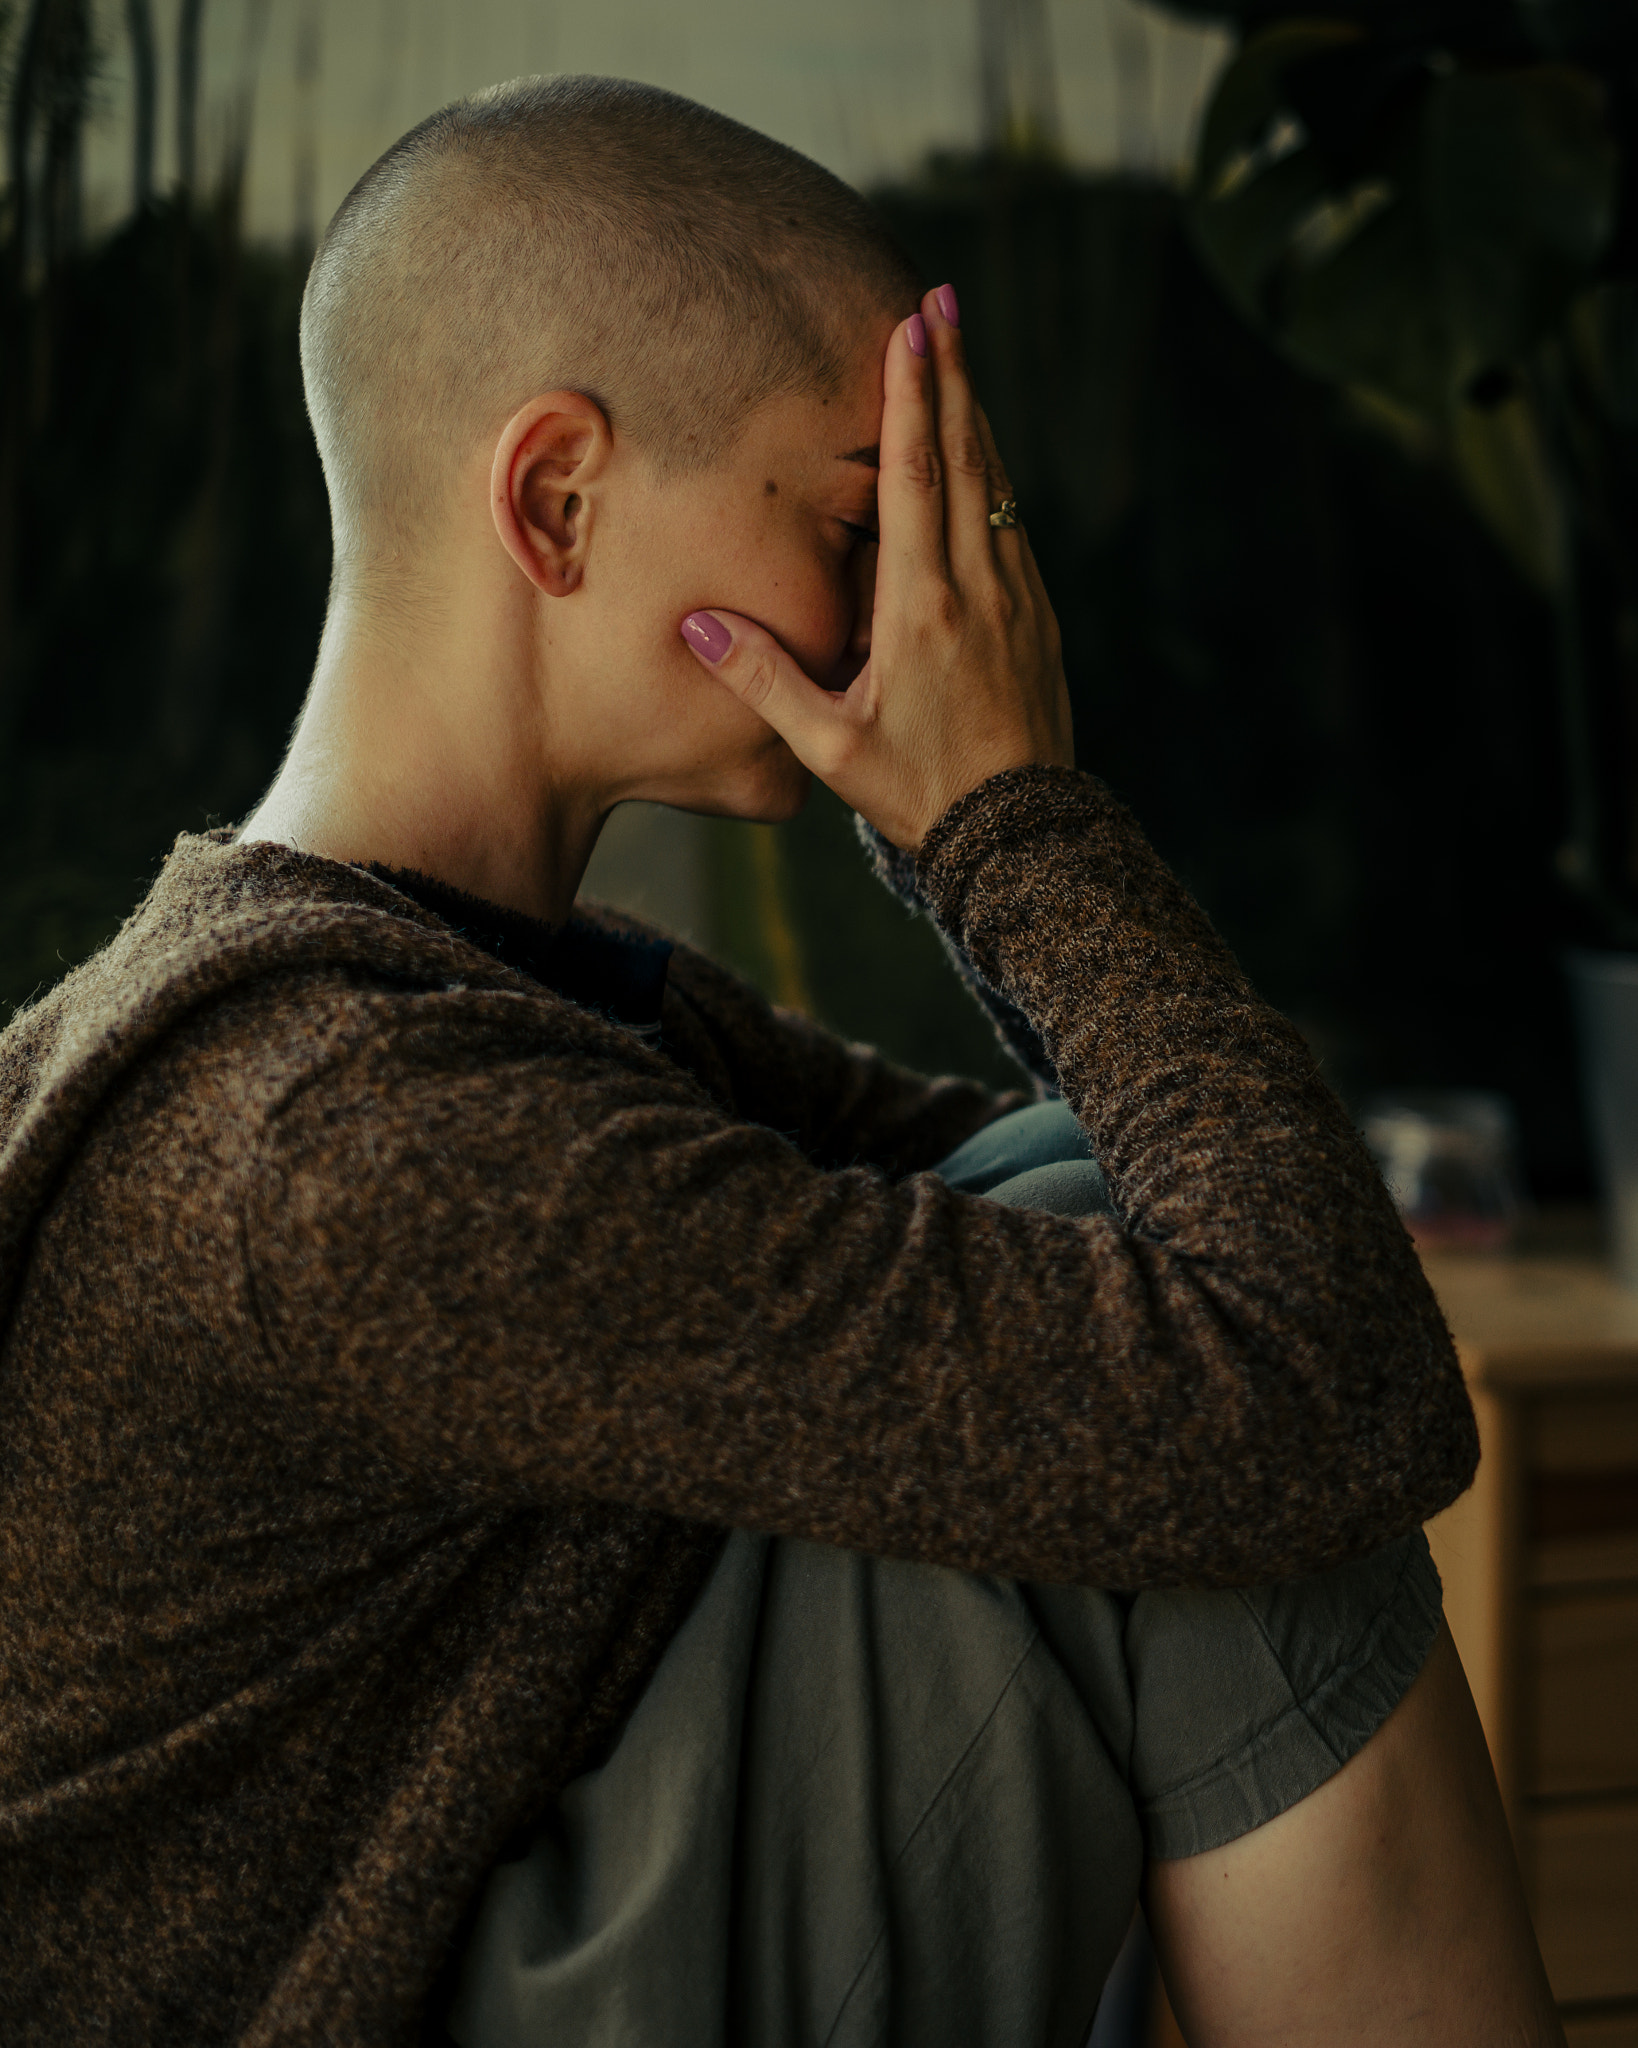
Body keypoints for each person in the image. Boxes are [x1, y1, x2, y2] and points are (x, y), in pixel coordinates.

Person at [0, 75, 1562, 2048]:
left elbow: (1212, 1259)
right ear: (557, 498)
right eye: (859, 516)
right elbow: (1322, 1384)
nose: (912, 608)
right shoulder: (344, 1136)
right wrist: (1012, 812)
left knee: (1096, 1254)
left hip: (523, 1905)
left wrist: (988, 831)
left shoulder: (463, 1000)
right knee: (1201, 1435)